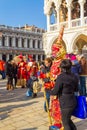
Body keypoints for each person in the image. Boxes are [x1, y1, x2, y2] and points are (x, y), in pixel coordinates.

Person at [50, 59, 79, 130]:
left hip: (65, 102)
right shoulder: (75, 76)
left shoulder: (61, 77)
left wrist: (50, 91)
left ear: (62, 68)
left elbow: (55, 91)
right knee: (68, 119)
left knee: (65, 122)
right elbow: (76, 89)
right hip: (72, 100)